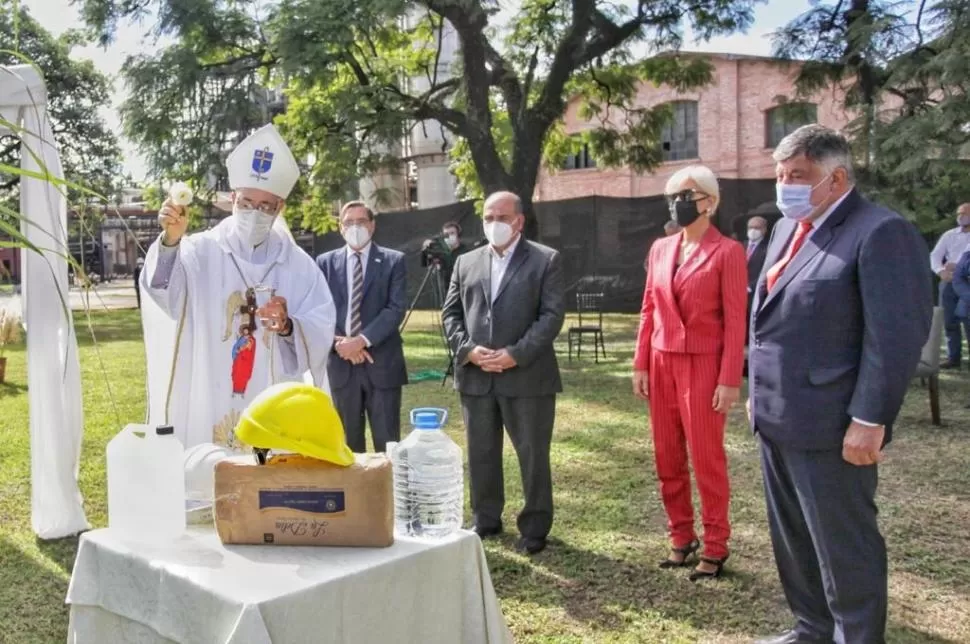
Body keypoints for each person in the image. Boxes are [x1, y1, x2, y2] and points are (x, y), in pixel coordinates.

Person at [748, 125, 931, 644]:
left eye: (798, 176)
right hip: (777, 417)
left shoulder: (879, 232)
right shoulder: (788, 229)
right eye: (781, 175)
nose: (786, 186)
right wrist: (757, 392)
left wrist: (870, 420)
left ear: (837, 177)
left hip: (833, 424)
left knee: (843, 546)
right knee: (795, 540)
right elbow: (766, 314)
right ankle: (812, 628)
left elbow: (894, 338)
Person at [139, 124, 337, 449]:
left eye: (265, 207)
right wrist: (171, 242)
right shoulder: (197, 251)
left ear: (280, 208)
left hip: (272, 394)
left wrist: (288, 327)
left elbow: (320, 327)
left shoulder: (298, 266)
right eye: (246, 202)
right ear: (232, 198)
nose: (254, 214)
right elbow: (163, 295)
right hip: (209, 386)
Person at [632, 165, 747, 581]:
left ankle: (715, 546)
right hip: (662, 362)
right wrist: (641, 362)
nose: (679, 202)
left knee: (706, 458)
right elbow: (648, 308)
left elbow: (736, 321)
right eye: (673, 195)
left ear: (710, 202)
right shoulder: (661, 248)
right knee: (667, 456)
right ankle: (681, 537)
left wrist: (729, 378)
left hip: (703, 364)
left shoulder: (729, 252)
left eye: (688, 194)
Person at [441, 191, 565, 555]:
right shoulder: (465, 262)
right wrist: (468, 350)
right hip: (477, 377)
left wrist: (515, 354)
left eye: (501, 217)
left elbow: (551, 316)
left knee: (532, 453)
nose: (493, 223)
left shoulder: (546, 260)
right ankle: (486, 518)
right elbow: (450, 314)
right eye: (487, 217)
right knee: (481, 451)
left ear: (519, 221)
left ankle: (535, 526)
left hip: (527, 377)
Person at [316, 201, 408, 453]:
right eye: (349, 222)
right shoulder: (324, 263)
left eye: (361, 222)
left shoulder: (393, 261)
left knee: (387, 444)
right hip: (341, 365)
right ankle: (353, 494)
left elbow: (395, 309)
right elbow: (319, 310)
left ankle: (386, 493)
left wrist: (361, 340)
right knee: (347, 444)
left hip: (382, 365)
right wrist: (340, 343)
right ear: (340, 227)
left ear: (372, 225)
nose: (355, 227)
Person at [929, 203, 970, 369]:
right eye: (959, 214)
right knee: (949, 321)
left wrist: (958, 265)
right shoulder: (949, 235)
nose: (961, 217)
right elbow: (935, 255)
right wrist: (940, 271)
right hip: (948, 283)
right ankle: (954, 359)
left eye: (965, 213)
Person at [744, 216, 769, 347]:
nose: (753, 230)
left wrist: (750, 286)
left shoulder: (768, 248)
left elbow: (765, 271)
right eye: (750, 227)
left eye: (757, 228)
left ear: (764, 230)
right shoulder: (739, 245)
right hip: (736, 292)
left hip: (754, 292)